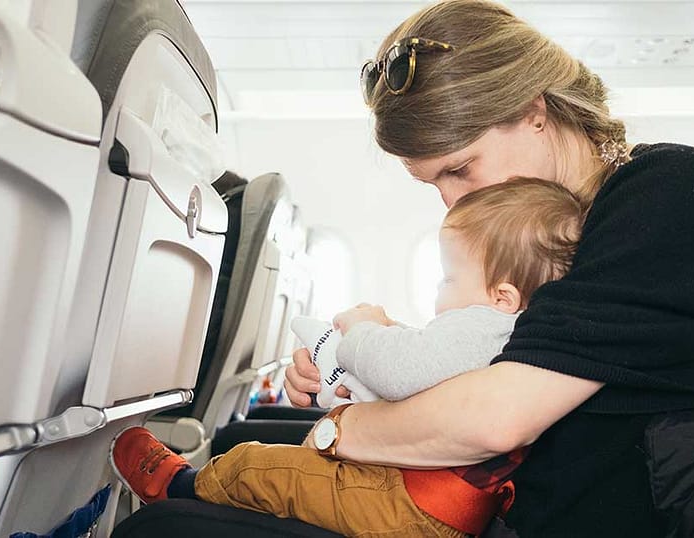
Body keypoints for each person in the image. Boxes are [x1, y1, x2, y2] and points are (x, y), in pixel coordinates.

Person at [280, 1, 694, 536]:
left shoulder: (669, 192)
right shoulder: (538, 233)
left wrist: (340, 428)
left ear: (534, 112)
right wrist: (353, 368)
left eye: (460, 167)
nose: (450, 202)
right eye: (433, 184)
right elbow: (513, 356)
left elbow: (496, 419)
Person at [111, 177, 587, 537]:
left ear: (503, 295)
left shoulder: (484, 324)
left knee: (262, 467)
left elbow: (401, 372)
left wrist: (362, 330)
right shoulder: (515, 331)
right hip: (432, 504)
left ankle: (180, 485)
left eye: (448, 280)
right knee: (291, 474)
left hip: (411, 506)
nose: (440, 293)